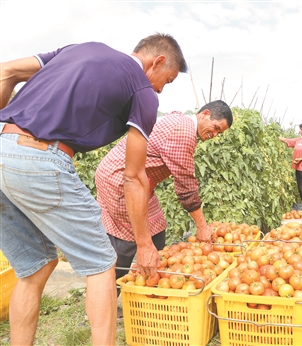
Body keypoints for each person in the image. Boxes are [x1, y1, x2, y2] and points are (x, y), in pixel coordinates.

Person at [0, 33, 186, 345]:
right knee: (102, 264)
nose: (159, 89)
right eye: (164, 81)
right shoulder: (143, 91)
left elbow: (5, 71)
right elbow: (134, 177)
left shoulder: (78, 49)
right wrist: (143, 244)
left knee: (34, 268)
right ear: (157, 62)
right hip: (44, 158)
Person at [95, 100, 233, 287]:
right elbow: (186, 186)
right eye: (215, 127)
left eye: (219, 133)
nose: (214, 134)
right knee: (126, 240)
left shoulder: (181, 121)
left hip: (139, 182)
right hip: (120, 181)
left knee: (156, 230)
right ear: (205, 113)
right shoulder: (183, 132)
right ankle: (109, 296)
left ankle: (153, 283)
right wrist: (202, 226)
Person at [279, 123, 302, 213]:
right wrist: (277, 136)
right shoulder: (298, 140)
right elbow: (287, 140)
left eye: (301, 129)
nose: (300, 131)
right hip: (298, 168)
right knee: (300, 189)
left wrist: (300, 159)